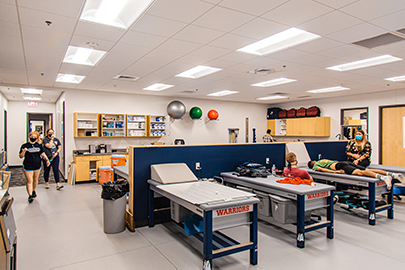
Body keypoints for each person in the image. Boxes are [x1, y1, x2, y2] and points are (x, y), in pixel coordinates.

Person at [307, 159, 404, 190]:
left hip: (340, 166)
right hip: (344, 162)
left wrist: (336, 172)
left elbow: (323, 170)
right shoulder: (321, 160)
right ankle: (393, 174)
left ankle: (383, 177)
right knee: (368, 169)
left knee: (360, 173)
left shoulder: (316, 166)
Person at [19, 131, 50, 203]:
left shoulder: (39, 145)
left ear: (37, 138)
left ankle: (33, 191)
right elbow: (21, 156)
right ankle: (30, 196)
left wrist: (47, 160)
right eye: (31, 137)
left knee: (35, 179)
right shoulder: (25, 145)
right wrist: (23, 151)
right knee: (30, 181)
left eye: (34, 137)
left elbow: (42, 154)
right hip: (28, 165)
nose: (33, 138)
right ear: (29, 137)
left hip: (37, 164)